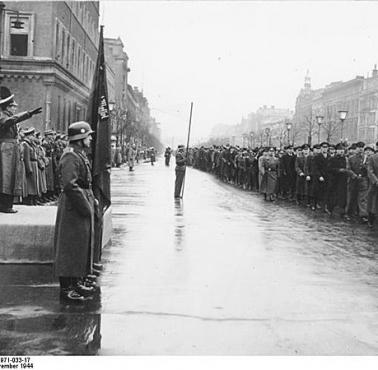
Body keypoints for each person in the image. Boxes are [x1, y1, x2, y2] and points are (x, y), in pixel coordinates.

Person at [54, 121, 97, 302]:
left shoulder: (79, 153)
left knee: (79, 245)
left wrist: (90, 199)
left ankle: (75, 281)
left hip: (79, 202)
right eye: (88, 135)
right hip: (73, 206)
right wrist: (85, 206)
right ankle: (66, 289)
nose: (90, 138)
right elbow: (70, 185)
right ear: (80, 138)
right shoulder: (71, 156)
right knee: (69, 247)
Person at [0, 86, 42, 213]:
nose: (15, 109)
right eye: (13, 106)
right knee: (6, 178)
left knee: (10, 177)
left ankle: (7, 204)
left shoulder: (6, 116)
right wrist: (28, 114)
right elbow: (10, 121)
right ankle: (4, 205)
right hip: (5, 150)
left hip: (10, 150)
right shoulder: (2, 116)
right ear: (7, 107)